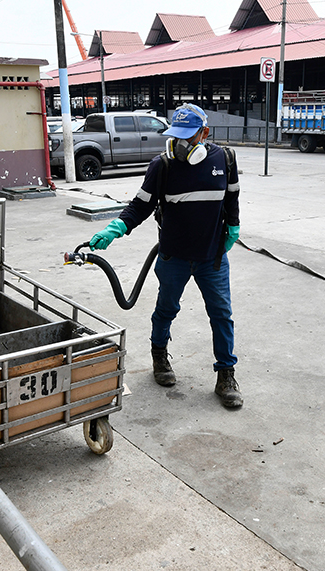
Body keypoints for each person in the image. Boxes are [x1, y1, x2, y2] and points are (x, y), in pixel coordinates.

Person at [88, 104, 243, 408]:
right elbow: (140, 205)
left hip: (212, 258)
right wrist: (117, 227)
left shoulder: (224, 159)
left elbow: (232, 196)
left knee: (222, 315)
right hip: (174, 257)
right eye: (177, 136)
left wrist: (234, 226)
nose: (181, 144)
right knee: (167, 308)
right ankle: (159, 355)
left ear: (204, 133)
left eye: (189, 137)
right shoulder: (163, 166)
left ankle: (226, 373)